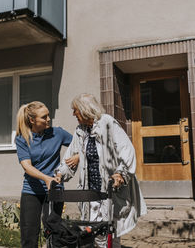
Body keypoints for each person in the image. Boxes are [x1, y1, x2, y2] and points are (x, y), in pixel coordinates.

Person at [55, 93, 147, 248]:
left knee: (111, 232)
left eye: (75, 110)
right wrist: (60, 174)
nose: (73, 114)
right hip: (91, 191)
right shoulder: (81, 130)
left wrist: (121, 173)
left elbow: (126, 150)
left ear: (84, 110)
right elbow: (70, 156)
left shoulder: (107, 122)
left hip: (110, 190)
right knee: (96, 233)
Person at [15, 101, 79, 248]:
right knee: (29, 234)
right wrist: (46, 178)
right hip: (31, 191)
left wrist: (78, 156)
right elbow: (27, 166)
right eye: (44, 117)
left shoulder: (58, 133)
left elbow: (81, 144)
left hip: (55, 190)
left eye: (48, 115)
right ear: (32, 120)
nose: (48, 119)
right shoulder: (22, 138)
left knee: (54, 232)